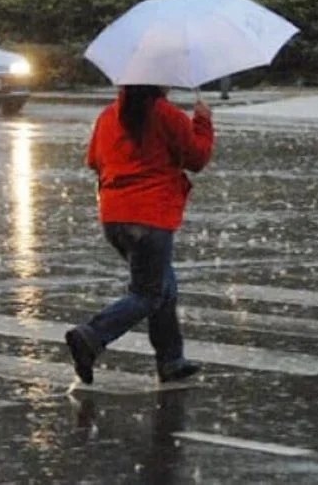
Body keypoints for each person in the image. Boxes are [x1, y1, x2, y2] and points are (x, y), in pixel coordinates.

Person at [65, 85, 213, 385]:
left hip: (114, 216)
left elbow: (94, 160)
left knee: (164, 286)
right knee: (148, 293)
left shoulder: (108, 115)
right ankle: (93, 335)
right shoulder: (166, 115)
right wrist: (203, 122)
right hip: (151, 217)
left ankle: (171, 360)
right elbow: (196, 159)